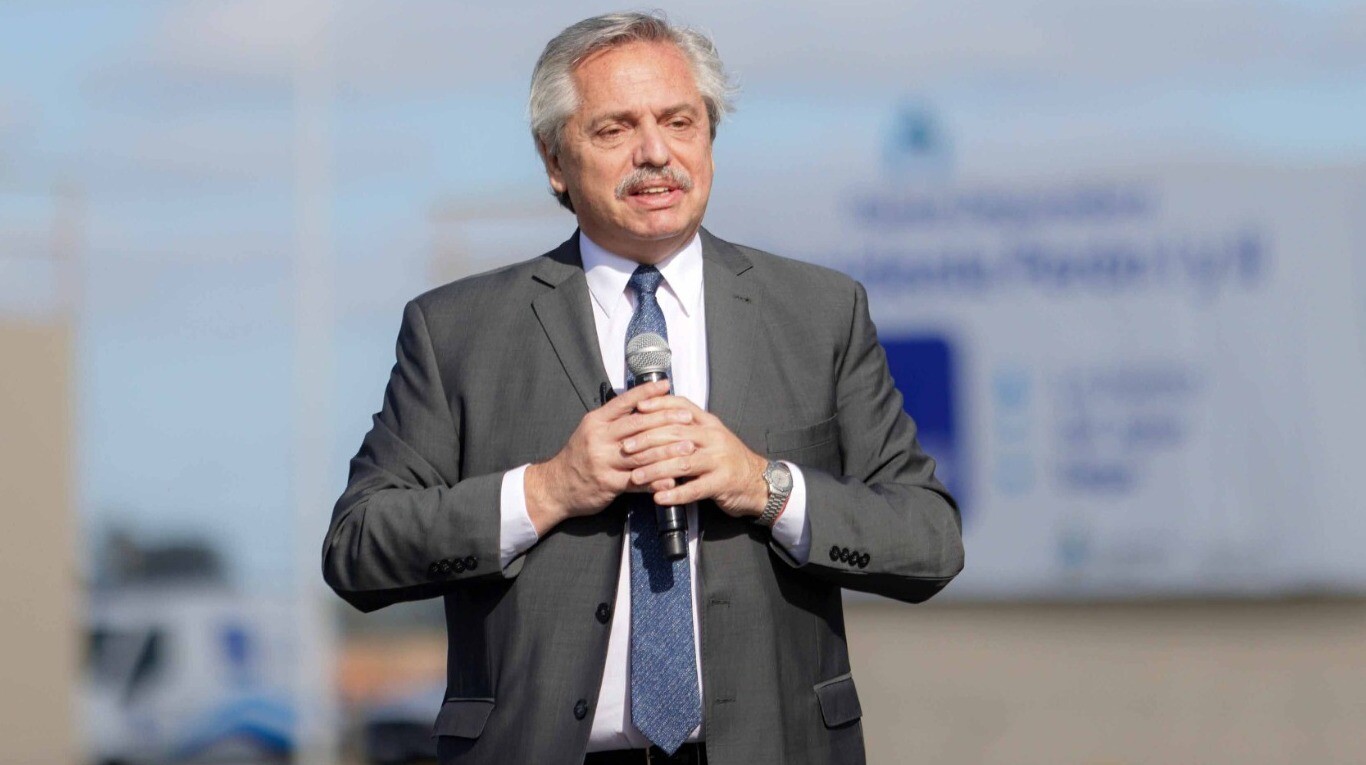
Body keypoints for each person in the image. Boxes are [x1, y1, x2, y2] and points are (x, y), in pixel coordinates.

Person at [323, 11, 963, 765]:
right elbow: (358, 548)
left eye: (679, 121)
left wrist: (765, 485)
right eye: (615, 128)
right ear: (555, 160)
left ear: (710, 137)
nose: (655, 152)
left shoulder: (819, 312)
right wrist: (547, 489)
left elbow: (928, 539)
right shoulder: (457, 330)